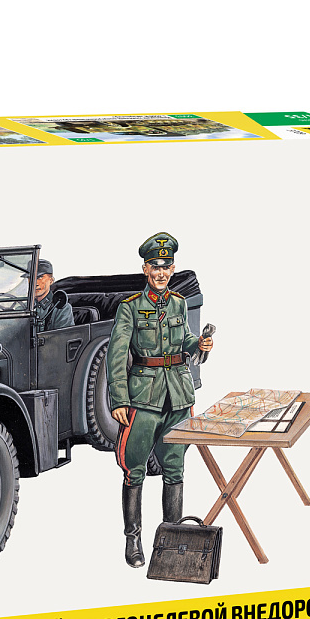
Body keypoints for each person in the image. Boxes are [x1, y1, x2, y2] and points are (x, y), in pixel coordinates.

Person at [106, 232, 214, 567]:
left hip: (178, 397)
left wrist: (200, 345)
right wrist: (119, 400)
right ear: (145, 269)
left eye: (166, 267)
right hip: (143, 399)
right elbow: (116, 356)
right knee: (134, 471)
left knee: (175, 468)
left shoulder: (179, 303)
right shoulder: (130, 308)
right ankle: (133, 540)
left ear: (173, 269)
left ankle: (171, 541)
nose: (161, 273)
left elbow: (185, 341)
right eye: (155, 266)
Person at [33, 259, 75, 331]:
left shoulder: (61, 309)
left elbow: (63, 336)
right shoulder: (22, 309)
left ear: (51, 280)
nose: (35, 283)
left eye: (40, 277)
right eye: (31, 277)